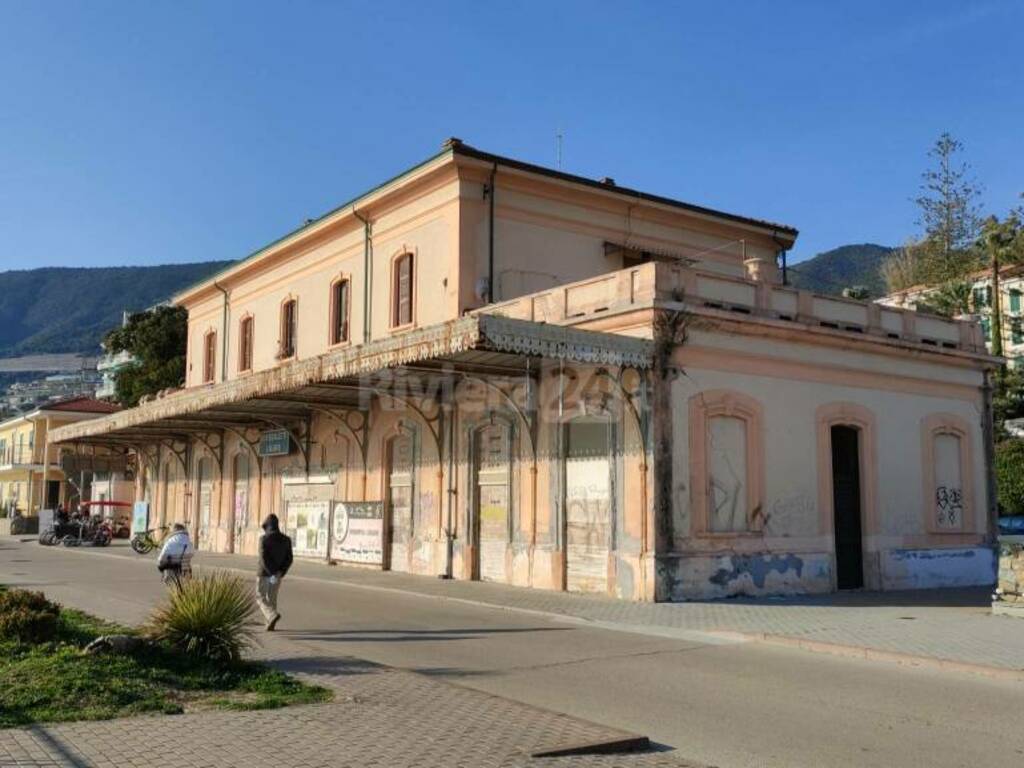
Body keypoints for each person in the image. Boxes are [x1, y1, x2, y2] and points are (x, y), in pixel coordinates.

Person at [257, 513, 293, 631]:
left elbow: (263, 558)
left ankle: (271, 616)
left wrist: (272, 572)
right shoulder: (286, 540)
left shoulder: (263, 539)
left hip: (264, 573)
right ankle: (270, 623)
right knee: (272, 597)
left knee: (260, 596)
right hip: (277, 574)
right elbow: (289, 558)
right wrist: (280, 572)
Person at [156, 523, 194, 589]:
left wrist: (160, 563)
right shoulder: (188, 541)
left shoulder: (170, 541)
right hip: (185, 569)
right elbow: (192, 554)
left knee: (163, 564)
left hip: (172, 569)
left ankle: (171, 586)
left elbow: (161, 558)